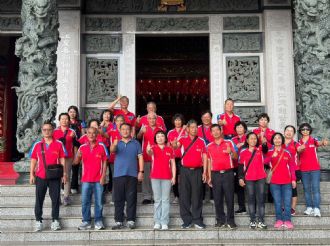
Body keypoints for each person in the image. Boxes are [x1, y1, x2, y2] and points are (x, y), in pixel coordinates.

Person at [29, 120, 67, 232]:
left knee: (55, 199)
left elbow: (62, 159)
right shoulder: (37, 145)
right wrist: (32, 174)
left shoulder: (59, 144)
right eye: (44, 130)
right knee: (39, 199)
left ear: (52, 131)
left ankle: (55, 220)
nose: (47, 131)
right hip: (40, 176)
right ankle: (38, 221)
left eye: (49, 129)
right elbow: (33, 161)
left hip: (55, 177)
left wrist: (64, 173)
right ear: (42, 131)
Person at [172, 119, 207, 229]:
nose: (194, 129)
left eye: (196, 127)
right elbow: (176, 146)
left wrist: (205, 172)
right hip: (185, 171)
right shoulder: (183, 139)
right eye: (192, 127)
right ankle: (187, 220)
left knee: (197, 195)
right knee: (184, 195)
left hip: (197, 171)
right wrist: (173, 144)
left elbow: (205, 157)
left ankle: (197, 219)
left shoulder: (201, 141)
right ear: (187, 128)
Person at [73, 127, 109, 230]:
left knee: (99, 202)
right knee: (85, 201)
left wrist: (103, 177)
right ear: (86, 134)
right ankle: (86, 222)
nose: (91, 135)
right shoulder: (82, 147)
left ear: (97, 134)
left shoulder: (102, 146)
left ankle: (98, 221)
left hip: (98, 179)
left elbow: (105, 162)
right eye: (89, 133)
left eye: (94, 133)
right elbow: (75, 162)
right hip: (86, 180)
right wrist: (77, 155)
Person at [110, 123, 144, 230]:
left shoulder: (136, 143)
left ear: (130, 131)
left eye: (127, 129)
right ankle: (118, 221)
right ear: (120, 131)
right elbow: (112, 150)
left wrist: (141, 171)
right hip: (118, 175)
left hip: (132, 174)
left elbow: (140, 157)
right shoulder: (117, 142)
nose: (125, 131)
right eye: (123, 129)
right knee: (118, 199)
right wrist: (114, 144)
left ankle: (131, 220)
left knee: (131, 198)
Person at [207, 124, 238, 229]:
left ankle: (230, 220)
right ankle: (220, 220)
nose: (215, 132)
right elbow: (209, 162)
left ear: (221, 131)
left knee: (230, 198)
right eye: (213, 131)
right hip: (215, 174)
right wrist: (209, 176)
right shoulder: (209, 146)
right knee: (217, 198)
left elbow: (236, 156)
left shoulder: (229, 142)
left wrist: (231, 153)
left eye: (217, 130)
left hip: (228, 173)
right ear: (211, 133)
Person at [265, 133, 296, 229]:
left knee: (287, 202)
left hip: (287, 181)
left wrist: (293, 179)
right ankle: (279, 219)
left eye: (279, 138)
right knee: (278, 202)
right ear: (273, 141)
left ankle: (287, 220)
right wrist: (271, 157)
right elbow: (263, 162)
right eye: (275, 138)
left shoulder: (287, 152)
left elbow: (291, 167)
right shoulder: (269, 152)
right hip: (274, 182)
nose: (277, 140)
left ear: (282, 140)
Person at [238, 132, 268, 230]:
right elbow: (241, 166)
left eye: (255, 138)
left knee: (261, 200)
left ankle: (261, 221)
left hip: (261, 178)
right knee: (251, 200)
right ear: (247, 140)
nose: (253, 140)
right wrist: (240, 178)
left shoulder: (260, 149)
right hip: (249, 178)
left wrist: (264, 143)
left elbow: (265, 149)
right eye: (251, 138)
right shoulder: (243, 151)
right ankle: (252, 220)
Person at [147, 130, 176, 230]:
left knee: (166, 200)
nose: (160, 138)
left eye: (162, 136)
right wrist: (148, 149)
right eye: (158, 136)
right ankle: (157, 221)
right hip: (155, 177)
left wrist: (174, 176)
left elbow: (173, 164)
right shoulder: (153, 148)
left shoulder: (170, 149)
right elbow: (149, 152)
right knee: (157, 200)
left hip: (167, 177)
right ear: (155, 139)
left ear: (165, 138)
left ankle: (164, 222)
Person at [298, 123, 328, 217]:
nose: (305, 131)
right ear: (301, 131)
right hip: (303, 169)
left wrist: (324, 142)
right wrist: (300, 149)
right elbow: (298, 150)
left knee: (315, 189)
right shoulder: (298, 142)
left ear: (310, 130)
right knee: (306, 189)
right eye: (303, 129)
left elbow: (320, 143)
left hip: (315, 169)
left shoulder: (313, 140)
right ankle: (309, 207)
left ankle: (316, 208)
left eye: (307, 129)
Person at [137, 112, 163, 204]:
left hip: (157, 157)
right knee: (146, 177)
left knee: (157, 177)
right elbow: (138, 137)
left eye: (153, 118)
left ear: (156, 119)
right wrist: (141, 132)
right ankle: (147, 196)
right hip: (146, 156)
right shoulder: (144, 128)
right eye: (150, 118)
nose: (152, 120)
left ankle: (156, 196)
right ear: (147, 119)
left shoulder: (160, 129)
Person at [53, 113, 77, 206]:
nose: (64, 120)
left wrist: (75, 157)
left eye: (66, 119)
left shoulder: (72, 131)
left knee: (66, 176)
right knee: (57, 177)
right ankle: (57, 197)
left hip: (68, 157)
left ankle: (66, 196)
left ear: (69, 120)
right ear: (59, 120)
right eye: (62, 119)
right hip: (57, 157)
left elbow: (75, 145)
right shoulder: (54, 131)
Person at [284, 125, 304, 215]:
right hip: (283, 170)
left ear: (294, 134)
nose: (289, 132)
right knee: (284, 189)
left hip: (295, 170)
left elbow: (301, 149)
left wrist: (301, 148)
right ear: (284, 132)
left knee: (293, 189)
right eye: (287, 130)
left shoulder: (296, 144)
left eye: (291, 131)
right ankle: (284, 206)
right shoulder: (279, 143)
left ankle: (293, 208)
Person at [167, 114, 186, 203]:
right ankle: (176, 196)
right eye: (176, 120)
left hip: (184, 157)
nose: (178, 122)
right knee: (174, 176)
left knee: (184, 177)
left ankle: (184, 195)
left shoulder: (186, 131)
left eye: (179, 120)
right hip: (173, 158)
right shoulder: (170, 132)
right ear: (173, 121)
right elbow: (169, 145)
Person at [68, 105, 86, 194]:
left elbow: (83, 134)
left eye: (74, 112)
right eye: (71, 112)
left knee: (75, 166)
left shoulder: (81, 122)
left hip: (77, 145)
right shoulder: (65, 121)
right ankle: (64, 187)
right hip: (67, 146)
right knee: (66, 168)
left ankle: (74, 186)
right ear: (68, 113)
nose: (72, 113)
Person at [198, 110, 214, 203]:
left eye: (208, 117)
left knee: (212, 175)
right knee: (202, 175)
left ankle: (212, 196)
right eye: (204, 117)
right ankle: (203, 197)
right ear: (201, 118)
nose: (206, 119)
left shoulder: (215, 128)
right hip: (201, 155)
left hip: (213, 155)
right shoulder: (198, 128)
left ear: (211, 118)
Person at [231, 121, 248, 214]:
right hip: (236, 165)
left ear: (244, 129)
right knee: (239, 187)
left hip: (248, 166)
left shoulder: (249, 138)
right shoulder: (232, 140)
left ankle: (253, 206)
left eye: (241, 127)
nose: (239, 129)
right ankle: (242, 207)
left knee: (250, 187)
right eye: (237, 127)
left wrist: (243, 144)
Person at [107, 115, 125, 195]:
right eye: (118, 120)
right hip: (113, 158)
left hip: (125, 159)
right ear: (115, 122)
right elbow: (103, 135)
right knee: (115, 178)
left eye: (122, 120)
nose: (120, 122)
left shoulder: (126, 131)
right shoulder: (111, 131)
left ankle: (122, 196)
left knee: (123, 178)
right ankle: (115, 197)